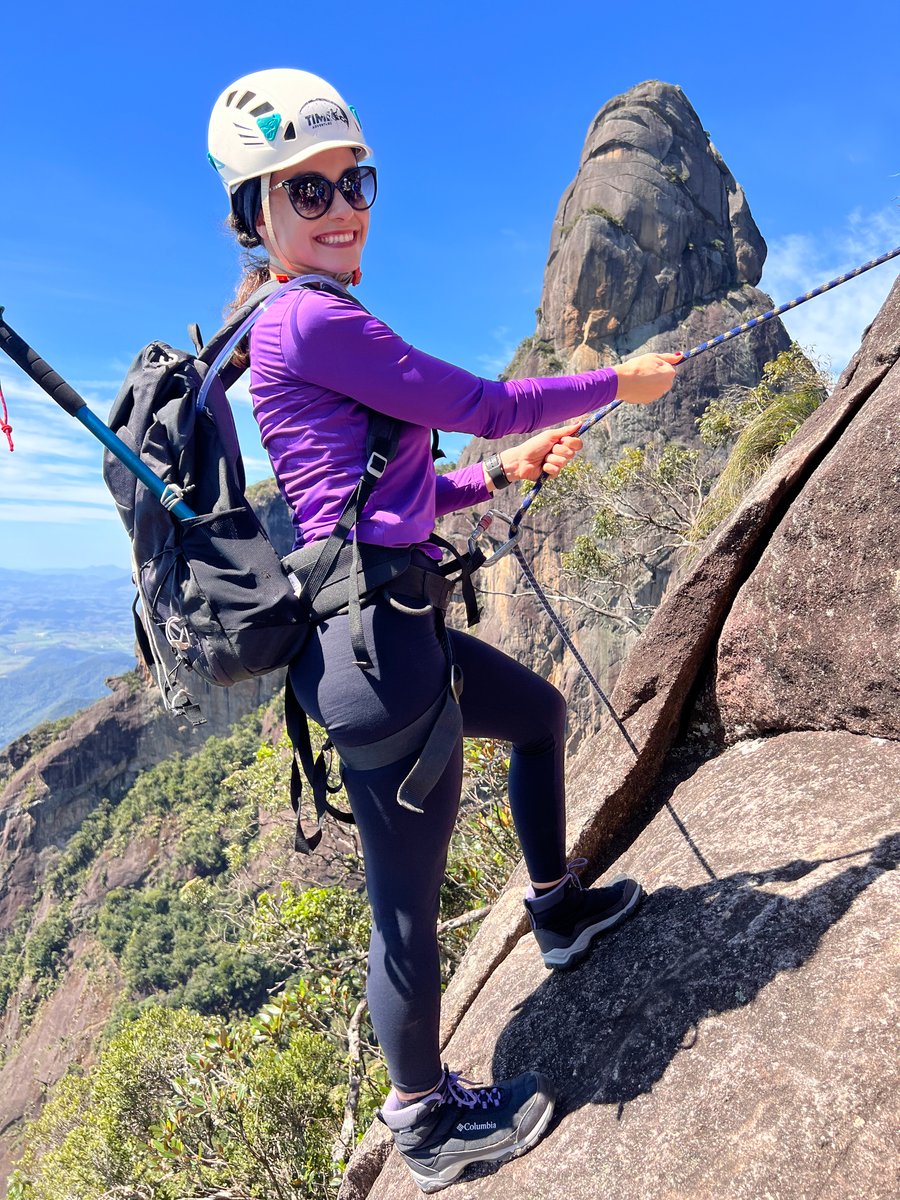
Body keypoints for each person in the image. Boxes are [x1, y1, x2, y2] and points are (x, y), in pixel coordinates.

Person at [208, 68, 678, 1193]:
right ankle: (424, 1120)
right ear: (254, 218)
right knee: (405, 913)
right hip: (378, 653)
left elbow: (393, 496)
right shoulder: (308, 316)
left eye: (353, 179)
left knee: (541, 715)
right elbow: (479, 401)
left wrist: (501, 477)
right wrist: (620, 382)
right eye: (305, 191)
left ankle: (557, 909)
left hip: (392, 624)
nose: (341, 205)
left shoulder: (313, 322)